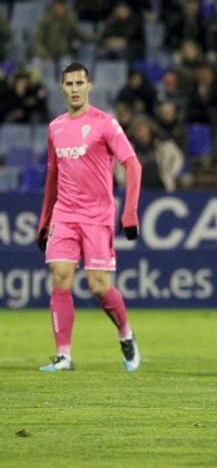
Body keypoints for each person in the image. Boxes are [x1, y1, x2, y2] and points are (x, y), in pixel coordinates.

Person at [36, 62, 143, 373]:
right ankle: (64, 356)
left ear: (89, 86)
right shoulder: (55, 127)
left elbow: (133, 165)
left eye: (79, 83)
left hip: (97, 216)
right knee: (61, 276)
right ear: (61, 88)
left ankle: (125, 333)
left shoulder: (105, 123)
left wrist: (130, 212)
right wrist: (45, 220)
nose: (74, 89)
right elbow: (52, 177)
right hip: (64, 214)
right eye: (68, 84)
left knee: (98, 286)